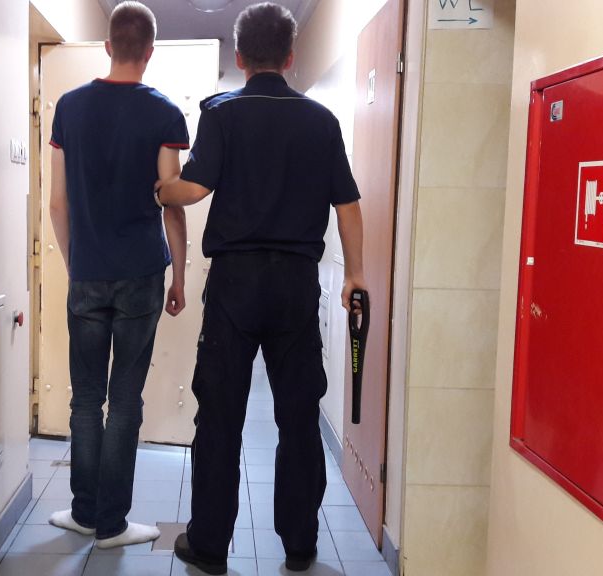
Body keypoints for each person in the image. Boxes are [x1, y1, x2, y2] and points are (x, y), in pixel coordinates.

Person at [156, 2, 366, 573]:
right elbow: (347, 205)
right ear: (291, 57)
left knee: (219, 415)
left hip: (235, 286)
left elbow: (193, 190)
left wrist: (160, 189)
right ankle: (299, 545)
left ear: (241, 56)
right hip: (296, 286)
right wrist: (355, 274)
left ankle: (209, 546)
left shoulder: (222, 113)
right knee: (298, 415)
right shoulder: (322, 122)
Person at [47, 1, 190, 549]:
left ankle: (84, 512)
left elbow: (57, 204)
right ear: (150, 52)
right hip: (141, 275)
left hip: (88, 272)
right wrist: (179, 277)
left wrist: (74, 262)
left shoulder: (69, 108)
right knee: (125, 399)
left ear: (108, 46)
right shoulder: (164, 114)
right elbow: (171, 202)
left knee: (85, 398)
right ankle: (112, 524)